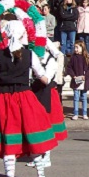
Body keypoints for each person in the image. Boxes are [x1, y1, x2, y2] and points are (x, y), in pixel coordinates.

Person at [0, 20, 58, 177]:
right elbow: (42, 77)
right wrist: (52, 68)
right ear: (21, 34)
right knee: (33, 134)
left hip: (3, 98)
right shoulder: (29, 54)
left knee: (9, 139)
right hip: (23, 96)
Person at [28, 38, 65, 169]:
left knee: (46, 126)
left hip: (47, 94)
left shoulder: (50, 61)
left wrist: (35, 69)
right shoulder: (33, 59)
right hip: (35, 93)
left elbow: (46, 80)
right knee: (35, 125)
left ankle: (47, 156)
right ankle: (37, 154)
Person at [66, 41, 89, 120]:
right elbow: (69, 67)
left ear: (82, 48)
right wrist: (73, 76)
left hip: (84, 80)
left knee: (84, 97)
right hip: (76, 80)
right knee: (76, 97)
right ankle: (75, 113)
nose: (76, 49)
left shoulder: (86, 57)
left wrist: (86, 76)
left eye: (77, 47)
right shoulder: (73, 57)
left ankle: (84, 112)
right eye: (75, 47)